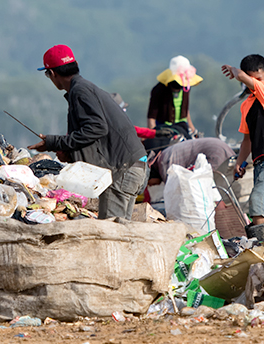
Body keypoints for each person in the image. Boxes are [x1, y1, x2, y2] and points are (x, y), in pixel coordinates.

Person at [29, 45, 148, 219]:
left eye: (48, 74)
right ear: (75, 64)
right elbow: (94, 136)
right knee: (120, 232)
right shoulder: (84, 88)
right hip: (130, 166)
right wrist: (68, 152)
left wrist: (54, 142)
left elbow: (96, 128)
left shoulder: (80, 91)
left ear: (53, 74)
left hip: (123, 170)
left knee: (111, 236)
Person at [221, 55, 264, 238]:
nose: (254, 83)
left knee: (257, 200)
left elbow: (245, 79)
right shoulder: (246, 105)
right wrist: (239, 163)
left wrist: (238, 73)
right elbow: (247, 140)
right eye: (251, 79)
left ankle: (260, 248)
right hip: (259, 161)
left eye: (257, 79)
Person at [147, 56, 202, 137]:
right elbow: (151, 117)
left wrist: (193, 130)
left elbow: (186, 112)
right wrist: (153, 135)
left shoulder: (185, 88)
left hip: (181, 126)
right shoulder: (158, 90)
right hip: (163, 127)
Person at [146, 137, 235, 186]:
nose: (150, 185)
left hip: (215, 152)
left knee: (210, 187)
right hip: (219, 146)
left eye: (148, 183)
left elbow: (175, 188)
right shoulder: (165, 156)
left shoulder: (164, 165)